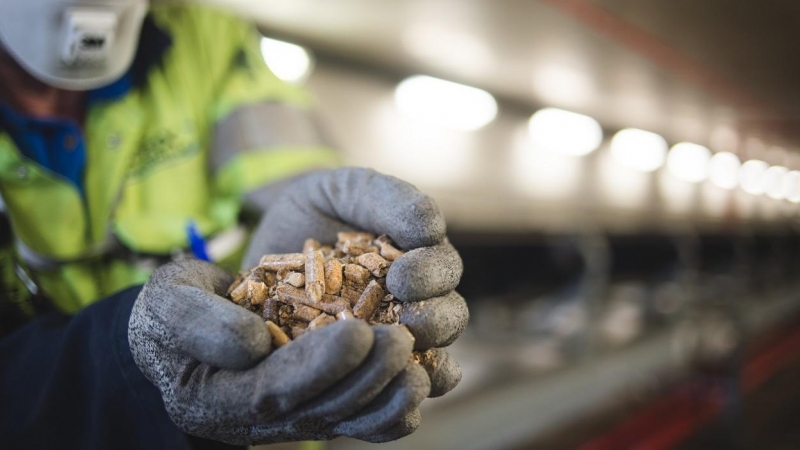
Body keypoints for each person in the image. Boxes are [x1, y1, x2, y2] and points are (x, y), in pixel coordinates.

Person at [0, 1, 468, 449]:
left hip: (277, 429)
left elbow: (293, 168)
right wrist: (127, 360)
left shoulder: (209, 38)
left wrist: (334, 213)